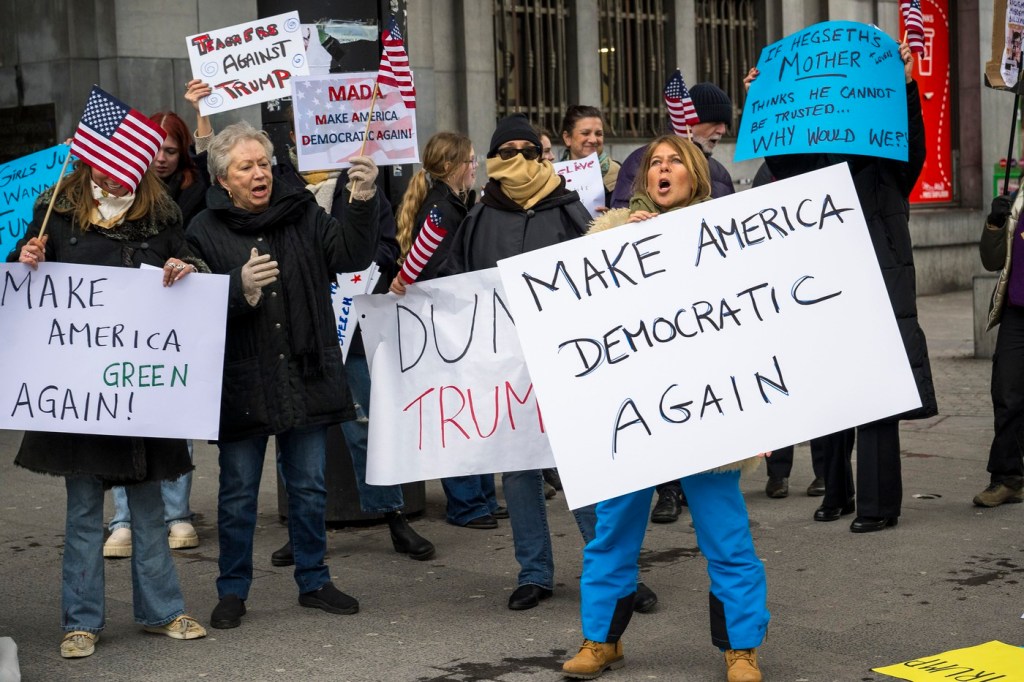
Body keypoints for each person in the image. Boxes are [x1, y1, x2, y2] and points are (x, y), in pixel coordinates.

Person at [562, 135, 768, 682]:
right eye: (655, 162)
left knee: (726, 536)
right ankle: (600, 641)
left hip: (711, 414)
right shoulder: (607, 235)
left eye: (675, 161)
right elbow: (581, 326)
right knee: (613, 533)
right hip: (633, 418)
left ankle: (741, 649)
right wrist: (615, 253)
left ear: (694, 175)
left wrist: (765, 414)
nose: (663, 168)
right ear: (643, 177)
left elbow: (754, 322)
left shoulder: (727, 236)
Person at [442, 114, 657, 613]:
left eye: (529, 150)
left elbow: (600, 268)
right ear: (494, 159)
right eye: (507, 150)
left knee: (580, 467)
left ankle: (614, 572)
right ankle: (534, 572)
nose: (519, 159)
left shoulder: (567, 210)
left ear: (544, 156)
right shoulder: (478, 218)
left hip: (567, 363)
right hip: (507, 371)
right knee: (519, 472)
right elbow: (454, 287)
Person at [8, 160, 208, 657]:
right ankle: (80, 621)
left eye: (129, 168)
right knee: (82, 511)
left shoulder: (162, 216)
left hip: (137, 390)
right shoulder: (56, 213)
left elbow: (192, 268)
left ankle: (162, 610)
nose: (118, 176)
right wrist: (24, 255)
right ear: (92, 164)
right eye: (108, 167)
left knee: (147, 505)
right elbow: (25, 276)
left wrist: (186, 270)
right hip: (79, 393)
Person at [185, 121, 380, 628]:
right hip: (244, 380)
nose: (259, 173)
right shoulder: (204, 229)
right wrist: (235, 287)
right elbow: (189, 309)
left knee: (310, 486)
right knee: (237, 493)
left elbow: (352, 255)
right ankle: (232, 590)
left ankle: (314, 579)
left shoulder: (303, 214)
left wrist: (361, 200)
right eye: (245, 166)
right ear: (223, 179)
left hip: (306, 369)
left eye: (264, 164)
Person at [761, 41, 937, 532]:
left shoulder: (890, 166)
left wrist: (904, 85)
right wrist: (764, 98)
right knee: (831, 389)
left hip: (881, 293)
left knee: (878, 396)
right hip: (829, 289)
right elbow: (781, 162)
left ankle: (879, 508)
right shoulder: (818, 165)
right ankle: (836, 491)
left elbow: (914, 143)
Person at [266, 104, 435, 563]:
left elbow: (385, 244)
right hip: (300, 334)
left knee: (365, 429)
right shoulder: (276, 189)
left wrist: (361, 274)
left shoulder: (359, 185)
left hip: (353, 330)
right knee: (300, 439)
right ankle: (304, 531)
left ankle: (393, 514)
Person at [103, 108, 210, 559]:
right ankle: (124, 517)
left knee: (173, 415)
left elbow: (196, 248)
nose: (161, 158)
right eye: (154, 149)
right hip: (119, 319)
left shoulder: (191, 193)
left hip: (170, 319)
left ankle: (175, 513)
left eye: (170, 150)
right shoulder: (113, 197)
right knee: (120, 414)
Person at [389, 131, 507, 530]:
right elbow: (436, 270)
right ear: (450, 168)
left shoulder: (454, 204)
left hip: (460, 324)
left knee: (472, 412)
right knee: (457, 418)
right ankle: (467, 504)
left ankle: (481, 498)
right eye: (470, 161)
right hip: (448, 328)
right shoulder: (440, 210)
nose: (475, 167)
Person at [610, 81, 736, 210]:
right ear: (691, 121)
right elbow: (621, 216)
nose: (722, 130)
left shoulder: (720, 173)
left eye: (725, 124)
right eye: (715, 122)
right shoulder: (639, 161)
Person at [976, 188, 1024, 507]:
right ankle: (1008, 478)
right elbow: (992, 260)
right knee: (1006, 393)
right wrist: (995, 223)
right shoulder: (1017, 199)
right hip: (1017, 312)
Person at [559, 105, 620, 207]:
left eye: (598, 134)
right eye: (585, 133)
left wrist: (612, 218)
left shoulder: (621, 174)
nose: (593, 140)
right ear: (567, 138)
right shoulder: (553, 178)